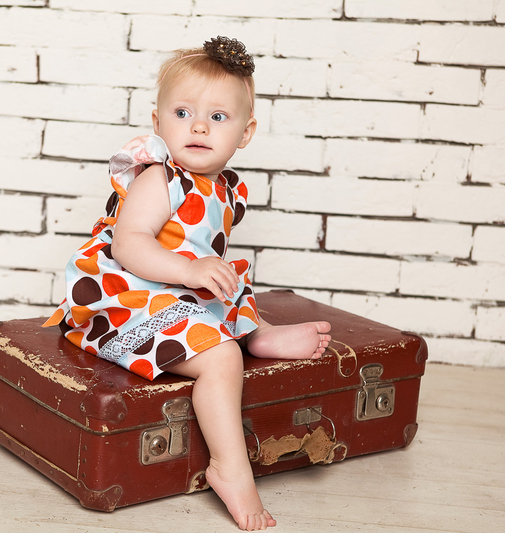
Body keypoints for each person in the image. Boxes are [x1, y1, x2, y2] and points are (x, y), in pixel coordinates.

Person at [44, 36, 331, 531]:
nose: (198, 126)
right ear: (158, 123)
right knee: (220, 358)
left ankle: (257, 334)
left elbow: (201, 259)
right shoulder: (159, 179)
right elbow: (129, 244)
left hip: (175, 292)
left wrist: (200, 273)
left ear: (245, 132)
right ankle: (229, 466)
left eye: (218, 117)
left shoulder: (224, 187)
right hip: (129, 299)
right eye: (182, 113)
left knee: (228, 285)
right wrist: (189, 271)